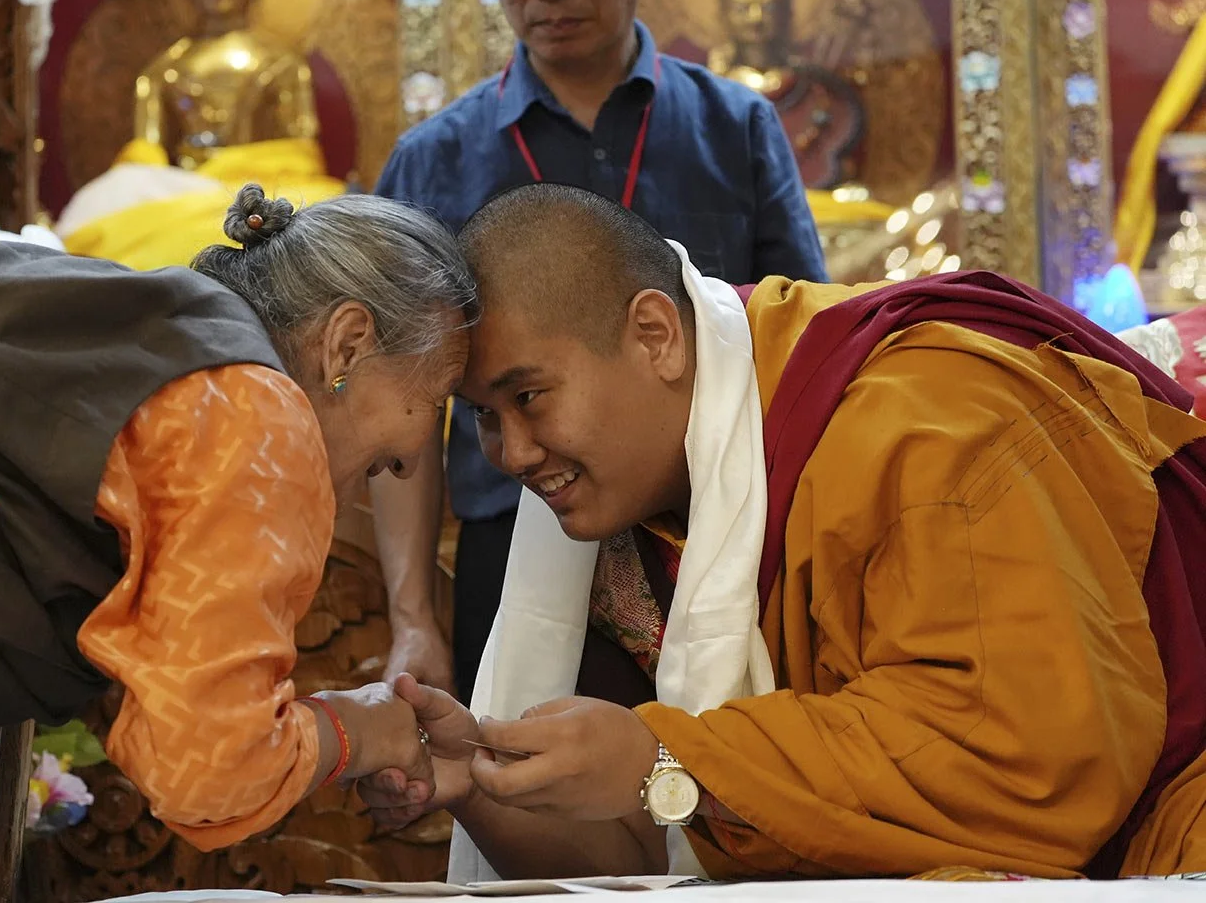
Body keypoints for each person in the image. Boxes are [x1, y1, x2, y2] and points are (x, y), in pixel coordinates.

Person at [359, 183, 1206, 881]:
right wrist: (477, 784)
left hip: (1157, 827)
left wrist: (673, 760)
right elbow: (659, 850)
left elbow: (1018, 764)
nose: (512, 453)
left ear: (655, 336)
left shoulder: (936, 427)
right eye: (482, 419)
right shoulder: (630, 509)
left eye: (529, 398)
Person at [0, 183, 471, 902]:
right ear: (346, 343)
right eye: (430, 403)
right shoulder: (258, 416)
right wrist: (361, 728)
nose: (410, 458)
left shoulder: (116, 313)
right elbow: (210, 773)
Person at [371, 0, 829, 702]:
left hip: (718, 535)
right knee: (526, 796)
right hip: (515, 536)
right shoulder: (432, 161)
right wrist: (414, 616)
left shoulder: (736, 129)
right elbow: (398, 413)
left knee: (723, 794)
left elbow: (802, 346)